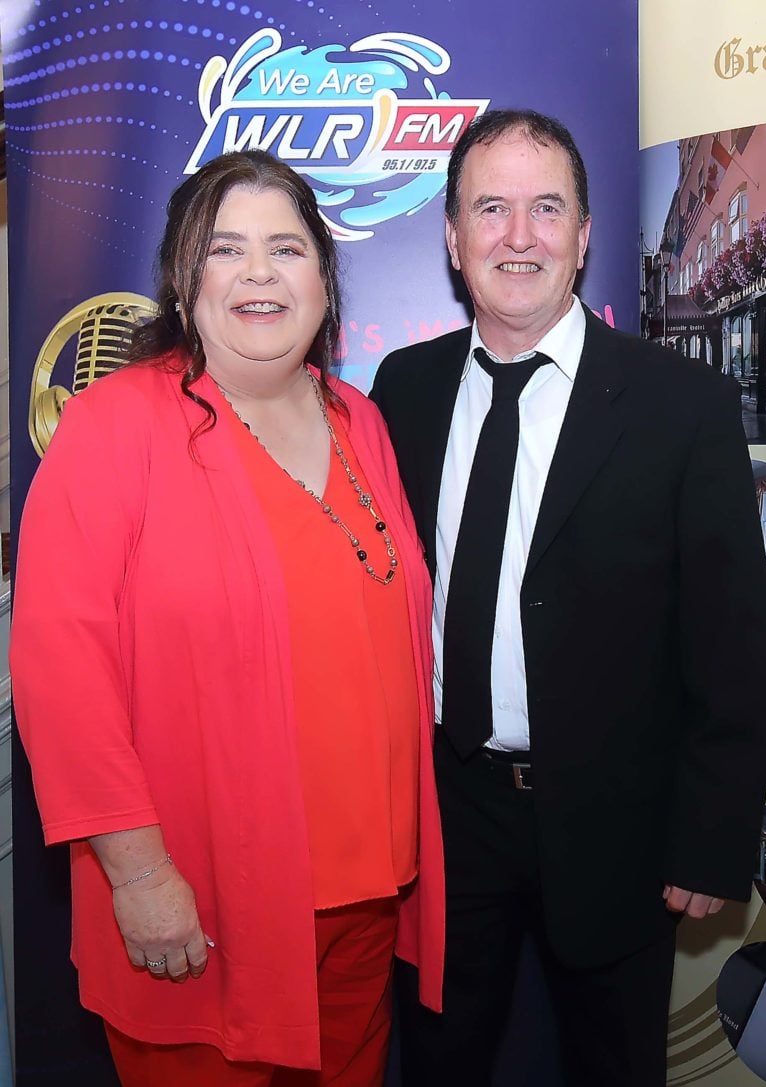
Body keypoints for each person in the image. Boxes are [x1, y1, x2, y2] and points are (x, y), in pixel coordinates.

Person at [11, 149, 444, 1087]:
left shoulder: (359, 420)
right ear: (182, 280)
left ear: (323, 280)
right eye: (225, 249)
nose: (259, 273)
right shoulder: (113, 426)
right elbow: (60, 670)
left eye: (286, 248)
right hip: (207, 905)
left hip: (367, 896)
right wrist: (138, 873)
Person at [370, 109, 766, 1087]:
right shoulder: (402, 390)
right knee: (438, 1063)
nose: (520, 236)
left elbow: (733, 642)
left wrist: (713, 835)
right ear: (453, 237)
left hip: (618, 820)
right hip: (445, 815)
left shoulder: (681, 405)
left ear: (584, 237)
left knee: (613, 1066)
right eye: (491, 209)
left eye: (547, 209)